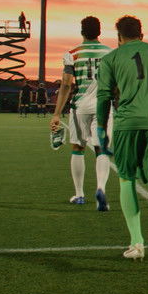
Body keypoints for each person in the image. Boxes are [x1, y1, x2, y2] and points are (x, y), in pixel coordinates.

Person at [96, 15, 148, 260]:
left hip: (126, 124)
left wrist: (100, 127)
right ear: (142, 34)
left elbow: (103, 96)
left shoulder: (111, 58)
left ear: (119, 37)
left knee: (126, 180)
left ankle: (137, 243)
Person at [50, 16, 114, 209]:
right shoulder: (111, 53)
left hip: (80, 106)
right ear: (99, 32)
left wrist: (56, 113)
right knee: (101, 148)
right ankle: (101, 188)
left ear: (82, 31)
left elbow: (66, 84)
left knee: (77, 148)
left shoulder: (73, 53)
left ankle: (79, 195)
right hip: (104, 106)